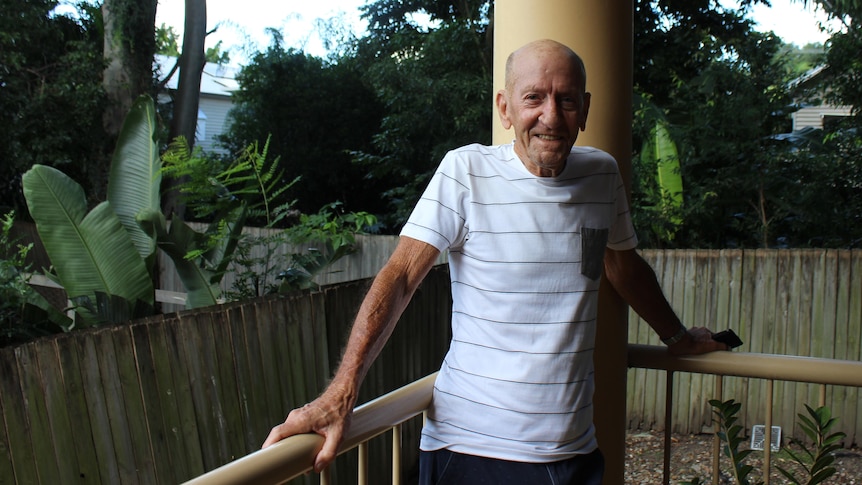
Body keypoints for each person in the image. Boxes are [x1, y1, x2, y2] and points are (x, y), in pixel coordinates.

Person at [263, 39, 728, 484]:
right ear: (505, 109)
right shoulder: (466, 172)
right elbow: (402, 276)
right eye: (534, 98)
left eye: (566, 101)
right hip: (472, 451)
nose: (551, 116)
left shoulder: (602, 175)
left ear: (584, 109)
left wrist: (678, 337)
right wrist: (340, 395)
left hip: (574, 450)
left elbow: (622, 267)